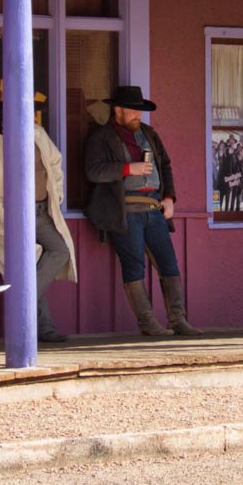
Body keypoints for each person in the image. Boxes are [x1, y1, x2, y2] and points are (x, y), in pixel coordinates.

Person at [84, 85, 202, 337]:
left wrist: (169, 198)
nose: (139, 115)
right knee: (134, 268)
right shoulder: (101, 137)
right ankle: (147, 323)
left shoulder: (148, 133)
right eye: (133, 111)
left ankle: (177, 319)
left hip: (154, 209)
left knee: (169, 264)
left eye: (140, 111)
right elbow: (93, 171)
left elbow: (166, 165)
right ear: (118, 110)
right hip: (125, 211)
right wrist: (128, 169)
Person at [0, 100, 78, 343]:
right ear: (4, 118)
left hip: (40, 211)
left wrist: (56, 195)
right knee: (27, 265)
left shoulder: (37, 133)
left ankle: (23, 301)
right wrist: (0, 210)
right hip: (11, 215)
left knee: (59, 251)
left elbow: (55, 164)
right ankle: (43, 326)